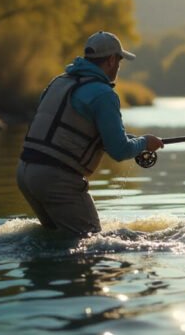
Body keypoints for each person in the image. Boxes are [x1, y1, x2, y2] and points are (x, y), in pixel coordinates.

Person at [16, 31, 164, 236]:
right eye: (119, 61)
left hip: (25, 172)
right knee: (92, 242)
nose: (119, 67)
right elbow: (119, 151)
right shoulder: (104, 95)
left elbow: (73, 131)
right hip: (56, 179)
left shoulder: (58, 82)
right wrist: (145, 143)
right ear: (111, 60)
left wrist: (134, 140)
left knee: (54, 237)